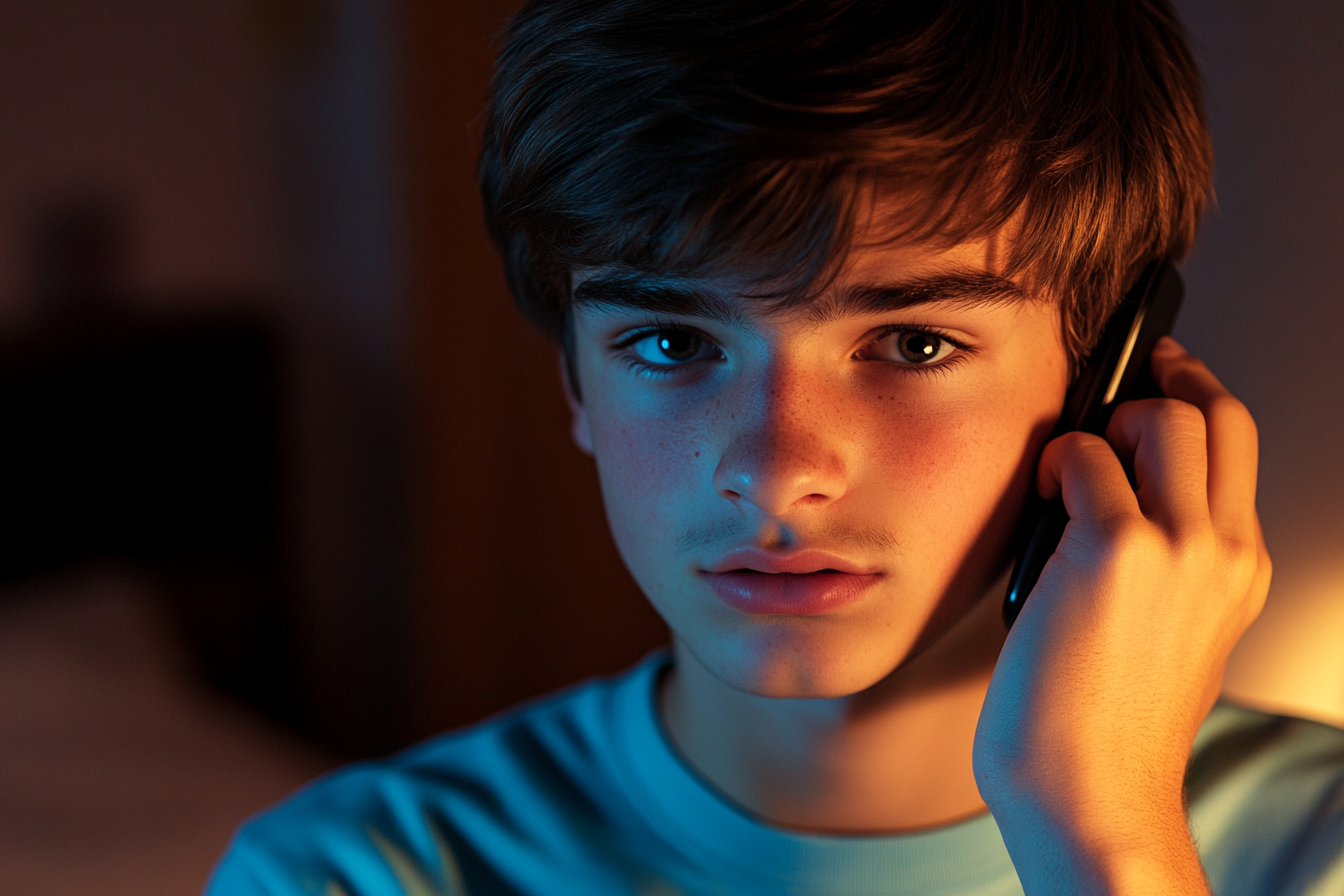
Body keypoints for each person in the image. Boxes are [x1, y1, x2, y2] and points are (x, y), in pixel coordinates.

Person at [207, 1, 1344, 894]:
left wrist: (1101, 835)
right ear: (574, 381)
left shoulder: (1315, 846)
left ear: (1113, 381)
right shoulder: (348, 874)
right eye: (668, 338)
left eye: (912, 341)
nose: (774, 467)